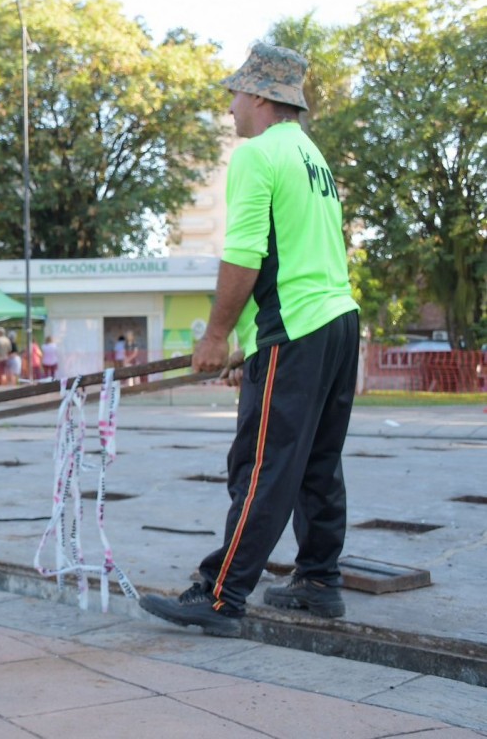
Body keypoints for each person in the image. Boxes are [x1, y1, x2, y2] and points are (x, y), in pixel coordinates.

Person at [139, 43, 360, 638]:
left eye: (236, 93)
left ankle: (220, 596)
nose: (231, 105)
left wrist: (216, 336)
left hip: (300, 325)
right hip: (338, 320)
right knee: (317, 459)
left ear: (261, 96)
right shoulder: (312, 156)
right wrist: (248, 343)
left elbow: (245, 255)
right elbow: (301, 254)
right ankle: (318, 581)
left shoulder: (258, 155)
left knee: (263, 464)